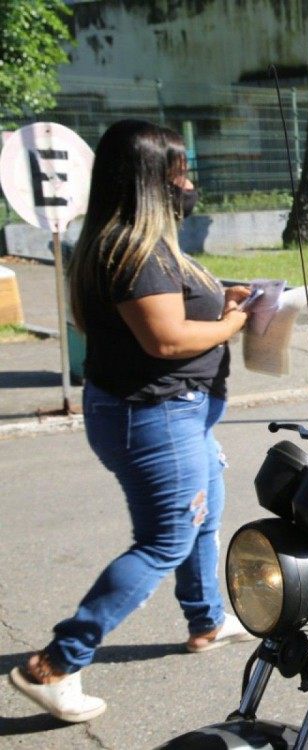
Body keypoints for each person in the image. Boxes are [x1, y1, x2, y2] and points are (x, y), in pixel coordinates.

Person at [7, 119, 255, 723]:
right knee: (165, 539)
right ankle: (56, 664)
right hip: (157, 416)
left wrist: (218, 305)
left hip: (166, 413)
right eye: (179, 174)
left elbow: (146, 323)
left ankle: (206, 621)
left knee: (203, 515)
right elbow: (165, 341)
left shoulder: (120, 244)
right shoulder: (137, 253)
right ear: (149, 181)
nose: (188, 185)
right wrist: (230, 325)